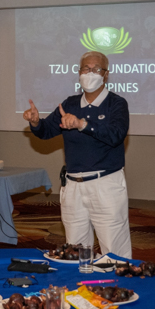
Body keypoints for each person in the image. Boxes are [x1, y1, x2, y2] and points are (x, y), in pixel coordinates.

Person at [24, 51, 132, 258]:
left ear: (106, 74)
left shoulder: (117, 104)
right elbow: (47, 130)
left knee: (114, 249)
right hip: (72, 186)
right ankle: (81, 289)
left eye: (96, 69)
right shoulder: (70, 104)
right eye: (85, 68)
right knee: (75, 250)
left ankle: (121, 288)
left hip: (105, 184)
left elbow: (115, 135)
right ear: (79, 72)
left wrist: (83, 124)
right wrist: (36, 122)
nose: (90, 73)